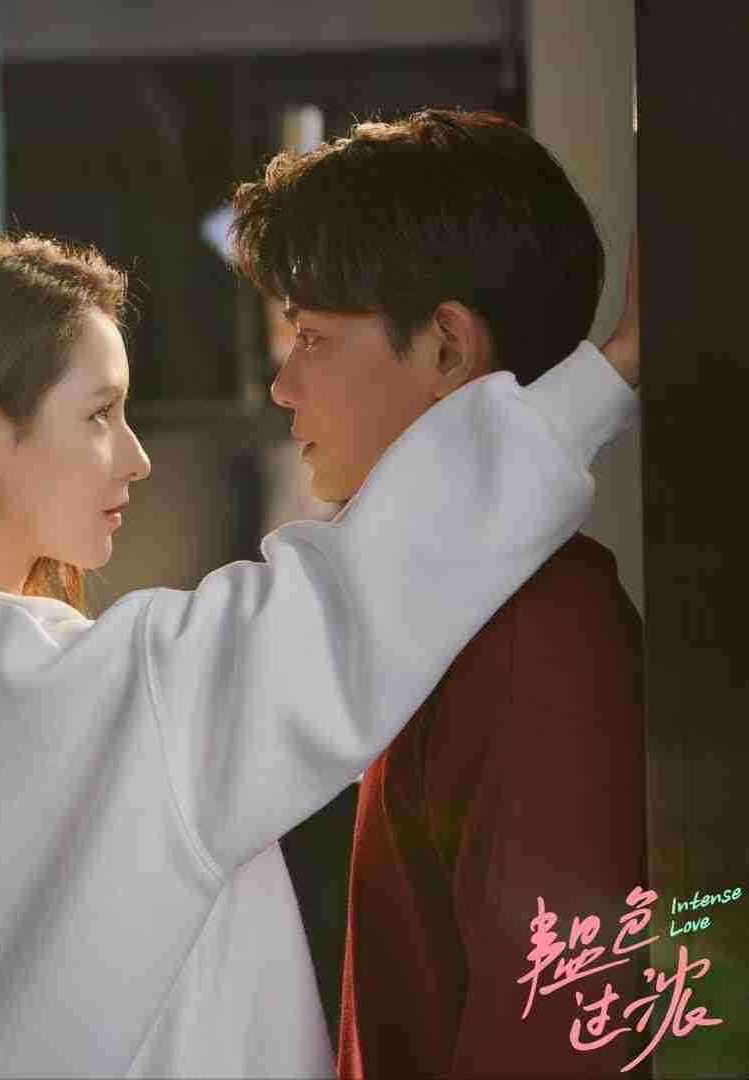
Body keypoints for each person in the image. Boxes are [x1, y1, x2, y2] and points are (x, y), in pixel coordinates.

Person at [0, 228, 639, 1076]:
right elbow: (345, 604)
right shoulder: (46, 687)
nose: (136, 458)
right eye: (99, 414)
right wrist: (611, 373)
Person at [230, 108, 651, 1077]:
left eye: (313, 337)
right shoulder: (439, 625)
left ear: (448, 351)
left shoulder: (541, 640)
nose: (284, 385)